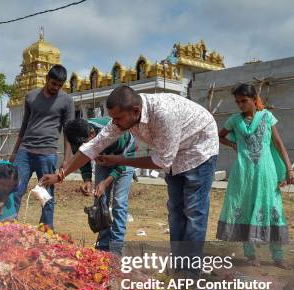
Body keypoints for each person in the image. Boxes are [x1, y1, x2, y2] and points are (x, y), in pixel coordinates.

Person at [42, 85, 219, 270]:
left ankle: (190, 273)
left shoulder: (164, 115)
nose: (114, 123)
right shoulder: (125, 116)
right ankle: (179, 266)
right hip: (174, 155)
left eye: (117, 119)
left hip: (199, 150)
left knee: (194, 212)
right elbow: (92, 147)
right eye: (113, 118)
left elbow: (161, 161)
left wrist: (121, 160)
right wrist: (61, 175)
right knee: (176, 212)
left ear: (135, 111)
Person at [216, 84, 294, 269]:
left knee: (273, 210)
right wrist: (233, 145)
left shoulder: (267, 117)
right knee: (246, 210)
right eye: (237, 102)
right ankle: (251, 255)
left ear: (254, 99)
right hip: (243, 172)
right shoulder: (234, 120)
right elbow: (219, 136)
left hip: (266, 172)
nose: (241, 105)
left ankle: (278, 256)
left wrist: (289, 169)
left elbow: (278, 143)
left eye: (244, 101)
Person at [10, 64, 74, 229]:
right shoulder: (31, 97)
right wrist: (15, 152)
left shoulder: (67, 101)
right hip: (25, 151)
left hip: (47, 153)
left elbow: (69, 132)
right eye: (53, 84)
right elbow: (24, 126)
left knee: (46, 196)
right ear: (47, 79)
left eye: (60, 85)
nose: (56, 88)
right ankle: (9, 228)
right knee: (15, 190)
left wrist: (67, 159)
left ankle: (46, 231)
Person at [64, 117, 136, 255]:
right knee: (100, 203)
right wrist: (86, 179)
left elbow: (124, 159)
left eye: (86, 143)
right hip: (103, 160)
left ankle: (115, 251)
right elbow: (82, 155)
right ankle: (102, 248)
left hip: (125, 158)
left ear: (92, 134)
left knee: (119, 204)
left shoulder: (114, 132)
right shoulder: (78, 135)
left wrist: (106, 181)